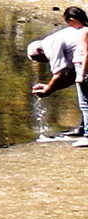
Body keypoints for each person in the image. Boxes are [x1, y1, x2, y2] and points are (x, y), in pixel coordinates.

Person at [29, 7, 88, 139]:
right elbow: (71, 77)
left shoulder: (50, 45)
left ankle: (86, 133)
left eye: (38, 59)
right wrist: (50, 87)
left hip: (85, 64)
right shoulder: (67, 35)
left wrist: (47, 90)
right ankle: (83, 128)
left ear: (39, 52)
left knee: (85, 102)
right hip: (83, 65)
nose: (43, 62)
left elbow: (59, 74)